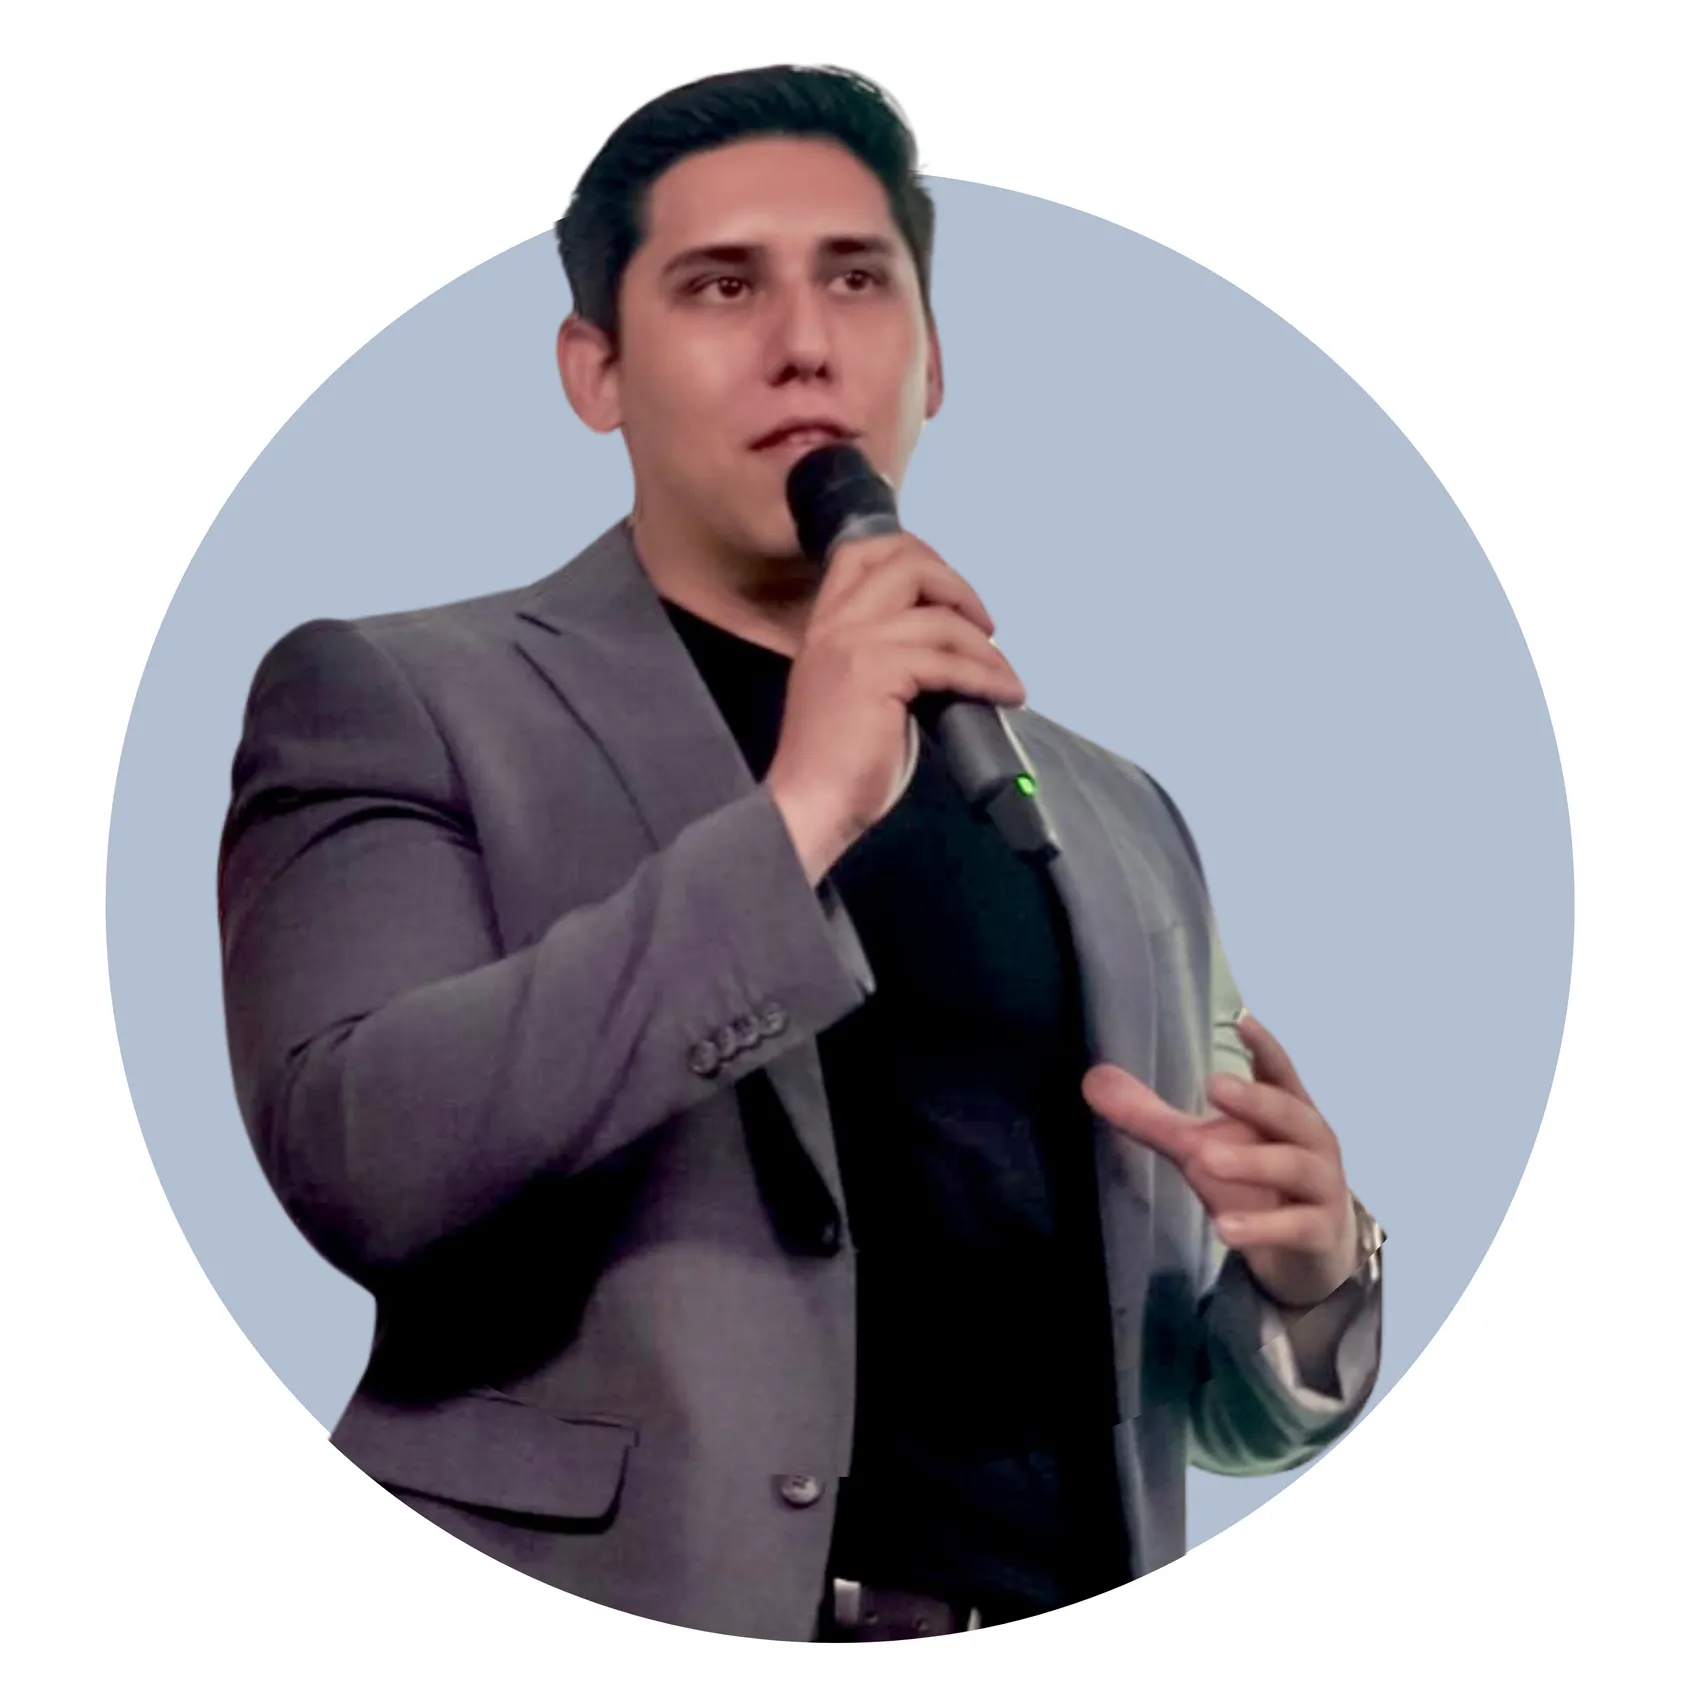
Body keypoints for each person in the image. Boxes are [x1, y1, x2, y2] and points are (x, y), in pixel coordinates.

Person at [217, 63, 1383, 1644]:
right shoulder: (398, 698)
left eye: (856, 278)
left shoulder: (1118, 816)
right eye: (721, 285)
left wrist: (1309, 1280)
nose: (805, 342)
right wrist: (802, 816)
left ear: (933, 358)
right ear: (595, 371)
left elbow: (1186, 1405)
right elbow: (363, 1159)